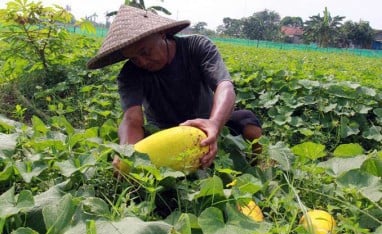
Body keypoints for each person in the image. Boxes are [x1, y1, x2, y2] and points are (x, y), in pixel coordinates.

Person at [87, 5, 262, 170]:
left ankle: (254, 166)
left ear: (161, 34)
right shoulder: (129, 74)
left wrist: (214, 123)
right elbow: (132, 119)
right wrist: (128, 152)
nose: (141, 62)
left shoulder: (197, 47)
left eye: (145, 52)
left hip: (205, 124)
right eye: (133, 58)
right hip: (165, 133)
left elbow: (224, 86)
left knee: (248, 122)